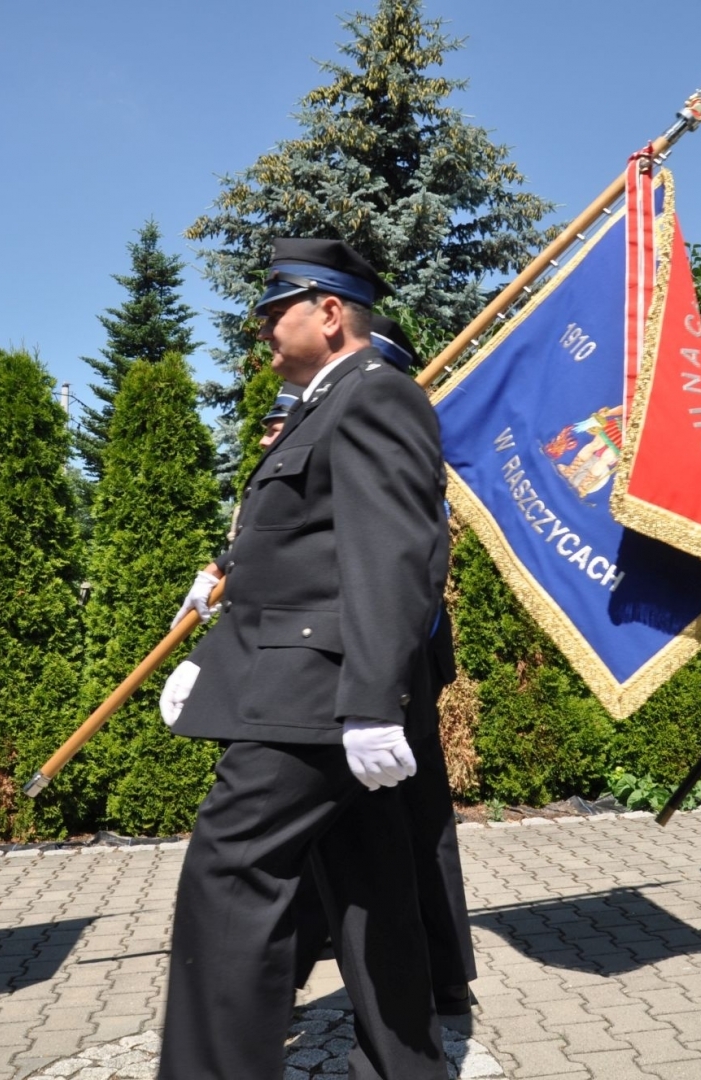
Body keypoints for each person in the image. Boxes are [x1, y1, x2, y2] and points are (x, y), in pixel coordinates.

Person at [155, 237, 450, 1080]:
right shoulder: (332, 403)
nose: (261, 332)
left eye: (272, 312)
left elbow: (396, 555)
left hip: (313, 698)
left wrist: (369, 701)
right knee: (368, 891)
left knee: (228, 880)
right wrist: (222, 581)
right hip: (303, 686)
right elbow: (310, 545)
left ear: (328, 311)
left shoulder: (373, 396)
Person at [290, 309, 479, 1019]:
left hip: (382, 660)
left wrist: (388, 677)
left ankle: (433, 976)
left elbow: (406, 562)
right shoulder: (359, 427)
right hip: (367, 659)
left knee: (385, 825)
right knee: (384, 828)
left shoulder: (380, 425)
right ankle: (436, 974)